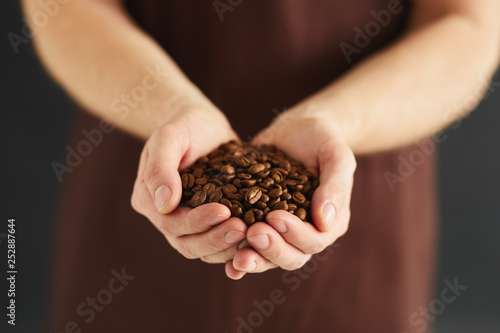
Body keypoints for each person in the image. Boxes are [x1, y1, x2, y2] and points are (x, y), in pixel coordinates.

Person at [22, 0, 500, 332]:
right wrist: (170, 110)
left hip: (355, 171)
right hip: (153, 159)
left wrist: (333, 119)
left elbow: (468, 25)